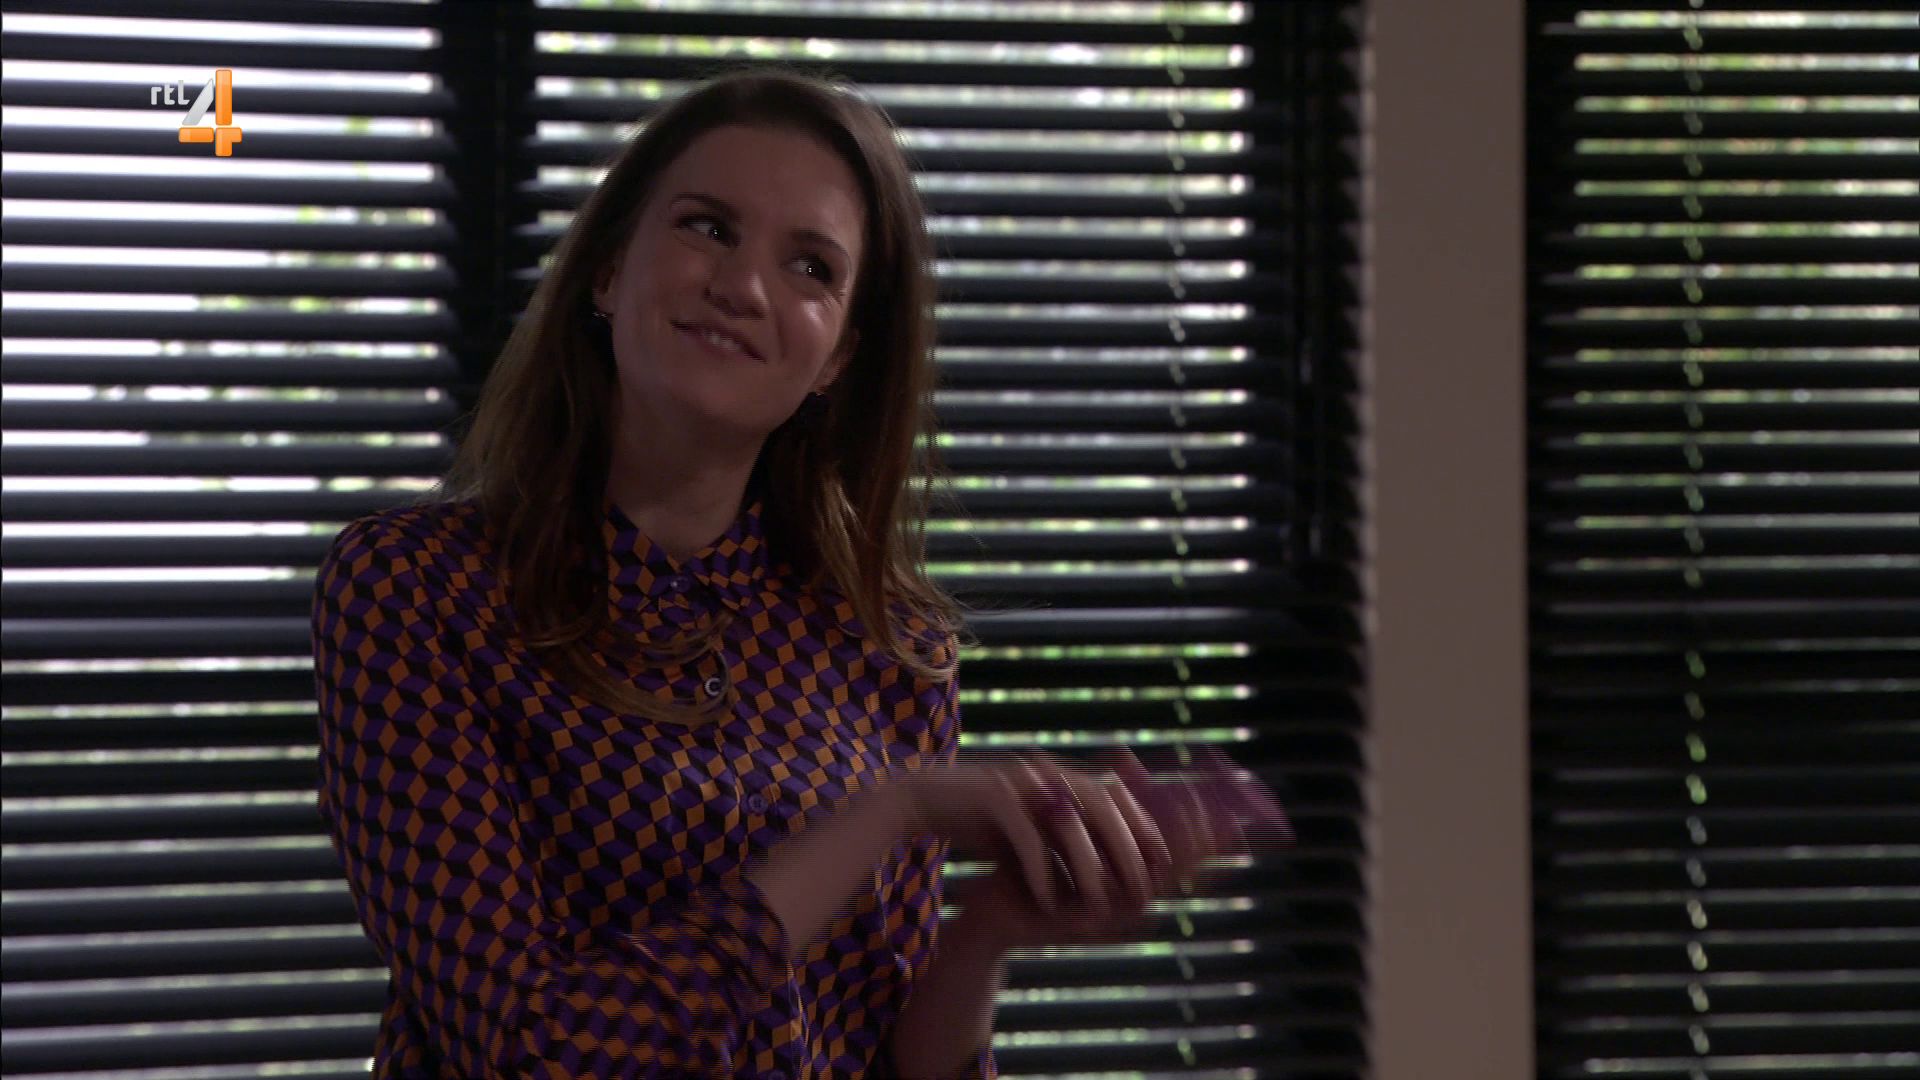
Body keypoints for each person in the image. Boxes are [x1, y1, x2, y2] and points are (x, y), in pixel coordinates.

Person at [311, 66, 1292, 1079]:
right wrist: (885, 814)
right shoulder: (414, 591)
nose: (742, 288)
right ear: (606, 269)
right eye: (708, 228)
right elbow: (532, 1055)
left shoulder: (891, 644)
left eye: (811, 267)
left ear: (836, 359)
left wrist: (990, 929)